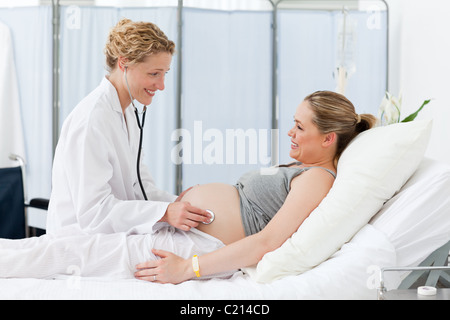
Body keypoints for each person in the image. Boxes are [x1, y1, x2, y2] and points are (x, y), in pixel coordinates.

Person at [0, 91, 376, 283]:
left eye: (300, 127)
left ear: (328, 139)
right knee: (70, 246)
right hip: (185, 230)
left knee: (78, 252)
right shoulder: (302, 168)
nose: (291, 133)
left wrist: (188, 269)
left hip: (197, 246)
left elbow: (267, 242)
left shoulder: (318, 180)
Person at [46, 18, 211, 237]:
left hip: (113, 237)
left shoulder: (129, 113)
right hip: (79, 244)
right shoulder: (91, 120)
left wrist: (178, 203)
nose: (161, 86)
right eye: (154, 74)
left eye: (164, 74)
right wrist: (164, 213)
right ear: (124, 63)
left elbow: (140, 187)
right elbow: (93, 212)